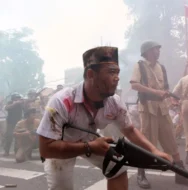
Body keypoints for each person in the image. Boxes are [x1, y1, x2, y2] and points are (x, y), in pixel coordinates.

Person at [36, 46, 172, 190]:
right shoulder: (61, 101)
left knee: (118, 168)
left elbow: (130, 130)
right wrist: (89, 147)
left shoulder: (114, 102)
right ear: (90, 74)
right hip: (61, 146)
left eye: (117, 72)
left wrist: (153, 151)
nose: (117, 77)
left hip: (91, 139)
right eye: (111, 72)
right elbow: (46, 149)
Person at [130, 40, 188, 188]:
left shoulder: (161, 67)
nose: (158, 51)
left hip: (162, 109)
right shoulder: (140, 66)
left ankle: (180, 174)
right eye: (155, 49)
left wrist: (170, 96)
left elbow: (165, 88)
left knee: (171, 140)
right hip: (147, 109)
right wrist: (155, 92)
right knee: (146, 142)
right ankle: (141, 174)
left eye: (158, 49)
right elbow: (134, 84)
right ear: (148, 51)